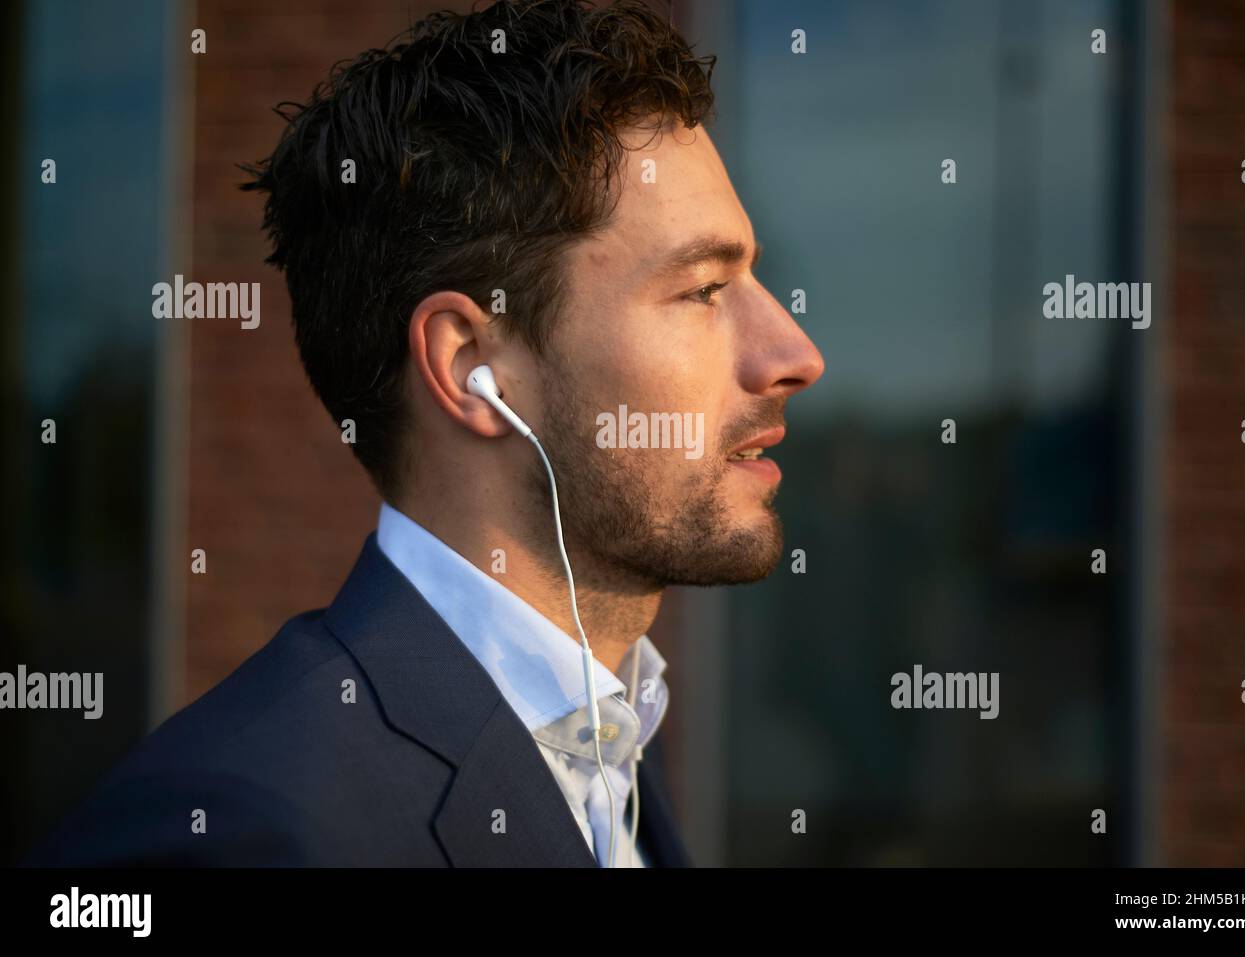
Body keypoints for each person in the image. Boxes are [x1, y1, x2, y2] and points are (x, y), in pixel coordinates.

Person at [24, 0, 823, 867]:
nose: (795, 353)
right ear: (472, 367)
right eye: (703, 289)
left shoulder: (612, 734)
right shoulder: (249, 829)